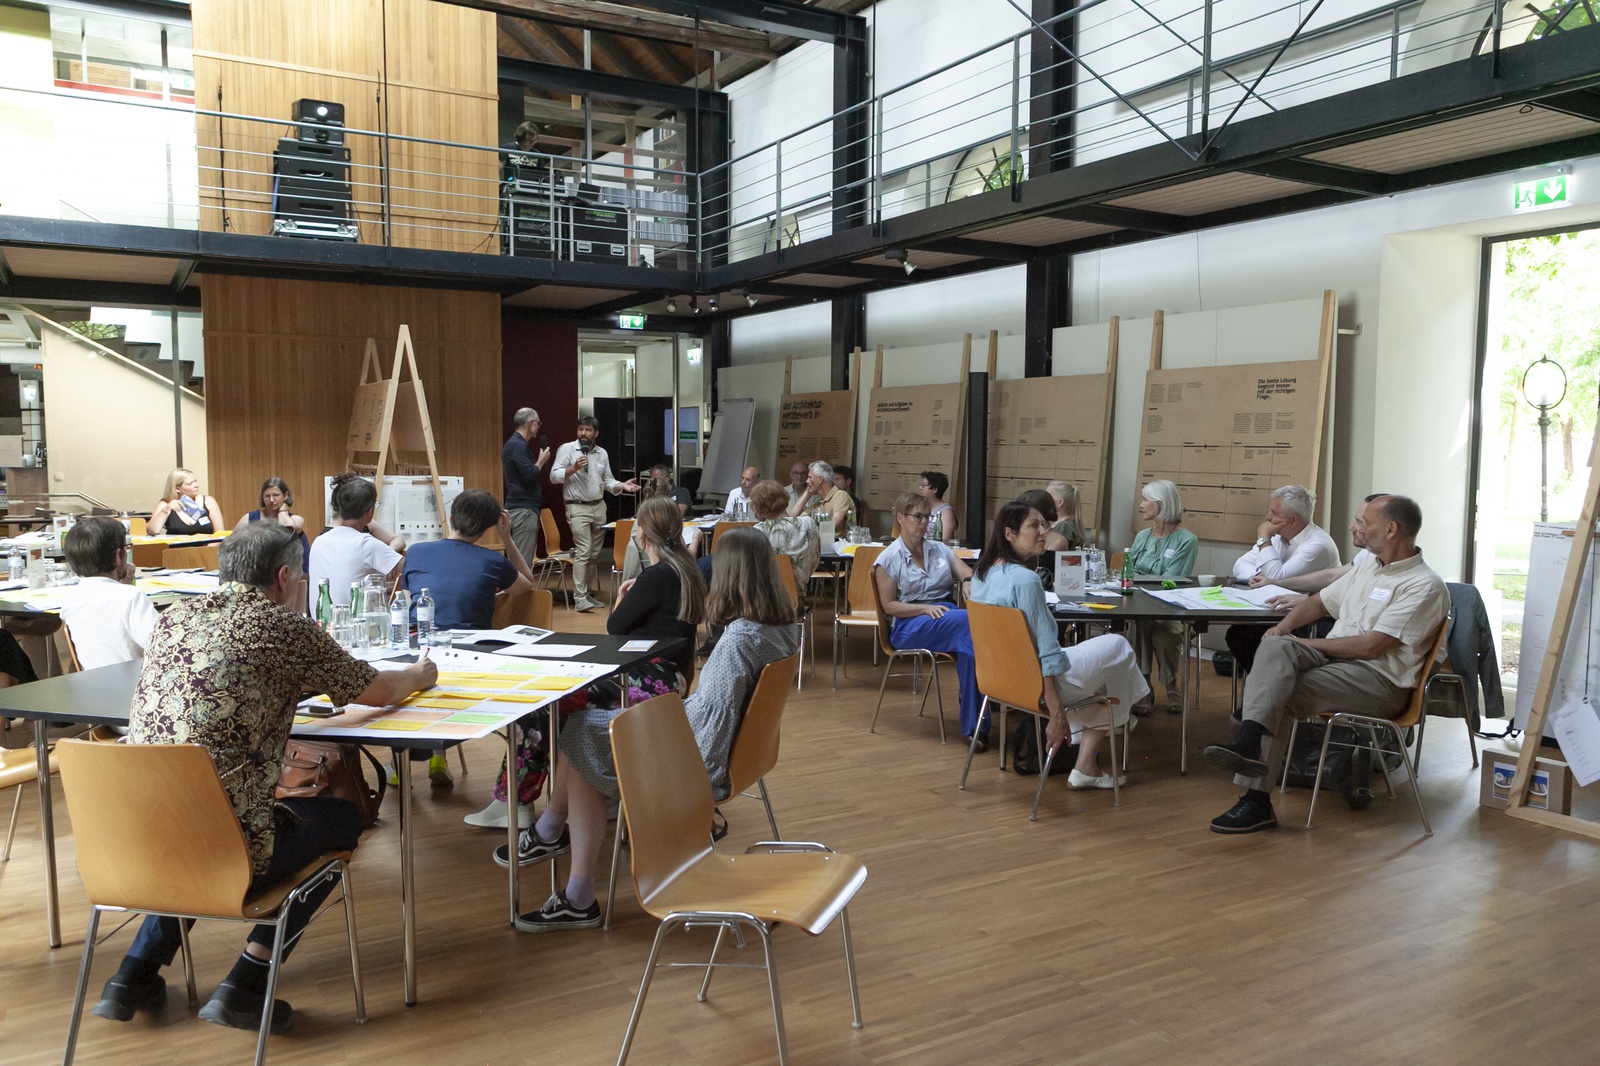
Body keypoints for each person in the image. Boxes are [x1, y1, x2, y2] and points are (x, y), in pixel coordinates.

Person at [93, 522, 437, 1033]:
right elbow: (378, 691)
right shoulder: (283, 627)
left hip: (137, 838)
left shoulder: (174, 618)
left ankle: (132, 975)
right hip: (229, 846)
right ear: (283, 577)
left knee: (193, 825)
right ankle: (247, 983)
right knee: (343, 818)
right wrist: (419, 674)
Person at [506, 527, 795, 931]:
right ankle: (553, 836)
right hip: (739, 755)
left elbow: (710, 729)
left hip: (700, 759)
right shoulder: (781, 629)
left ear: (729, 574)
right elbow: (715, 713)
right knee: (588, 728)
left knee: (582, 732)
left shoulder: (739, 640)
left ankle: (575, 887)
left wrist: (653, 732)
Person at [1202, 494, 1449, 834]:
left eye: (1363, 522)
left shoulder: (1424, 585)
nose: (1353, 527)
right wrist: (1283, 629)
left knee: (1280, 693)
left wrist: (1302, 643)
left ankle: (1255, 794)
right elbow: (1319, 603)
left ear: (1391, 529)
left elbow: (1371, 647)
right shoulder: (1368, 565)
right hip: (1335, 660)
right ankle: (1250, 738)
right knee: (1272, 644)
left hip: (1379, 681)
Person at [475, 498, 705, 831]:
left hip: (648, 679)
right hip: (669, 677)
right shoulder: (684, 569)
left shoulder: (657, 576)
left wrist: (627, 595)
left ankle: (512, 801)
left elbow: (615, 625)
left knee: (543, 706)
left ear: (641, 533)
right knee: (565, 704)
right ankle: (594, 790)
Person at [969, 501, 1150, 787]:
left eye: (1044, 524)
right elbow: (1047, 653)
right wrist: (1056, 713)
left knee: (1111, 676)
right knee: (1119, 646)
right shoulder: (1026, 581)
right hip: (1037, 684)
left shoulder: (982, 574)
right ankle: (1114, 724)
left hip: (1000, 681)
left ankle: (1112, 722)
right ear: (1009, 534)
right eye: (1034, 526)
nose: (1044, 532)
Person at [874, 491, 982, 745]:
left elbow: (966, 572)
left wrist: (968, 581)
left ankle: (975, 727)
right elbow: (888, 606)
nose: (924, 522)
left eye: (927, 517)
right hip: (908, 623)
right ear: (900, 517)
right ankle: (981, 716)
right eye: (917, 517)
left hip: (946, 617)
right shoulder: (889, 558)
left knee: (970, 649)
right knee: (971, 623)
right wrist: (923, 609)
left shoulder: (939, 549)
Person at [1223, 485, 1342, 674]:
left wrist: (1263, 539)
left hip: (1313, 620)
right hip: (1278, 612)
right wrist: (1258, 577)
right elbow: (1240, 564)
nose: (1268, 518)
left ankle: (1274, 685)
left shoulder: (1318, 545)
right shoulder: (1278, 537)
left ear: (1293, 520)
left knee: (1250, 638)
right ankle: (1265, 684)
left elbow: (1277, 577)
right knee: (1238, 634)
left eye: (1274, 513)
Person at [698, 480, 817, 656]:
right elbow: (814, 559)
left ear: (758, 507)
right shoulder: (809, 524)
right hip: (795, 598)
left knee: (722, 573)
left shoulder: (758, 532)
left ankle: (716, 638)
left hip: (759, 602)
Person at [401, 489, 537, 631]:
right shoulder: (493, 560)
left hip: (419, 639)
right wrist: (507, 539)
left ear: (451, 519)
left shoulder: (415, 552)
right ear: (483, 532)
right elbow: (527, 583)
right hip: (472, 641)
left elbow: (411, 602)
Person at [550, 415, 639, 612]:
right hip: (577, 507)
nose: (583, 433)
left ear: (595, 433)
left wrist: (622, 485)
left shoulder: (602, 453)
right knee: (584, 550)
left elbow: (607, 480)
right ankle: (580, 598)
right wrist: (573, 468)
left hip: (599, 507)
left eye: (588, 430)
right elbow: (553, 476)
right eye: (580, 429)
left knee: (594, 554)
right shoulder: (567, 449)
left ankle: (587, 593)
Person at [1129, 479, 1199, 713]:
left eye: (1146, 500)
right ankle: (1144, 687)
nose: (1141, 505)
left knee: (1162, 635)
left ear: (1161, 504)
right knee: (1139, 625)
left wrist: (1141, 578)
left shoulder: (1187, 540)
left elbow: (1172, 579)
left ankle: (1171, 686)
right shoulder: (1142, 536)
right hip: (1139, 605)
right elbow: (1129, 572)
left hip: (1169, 607)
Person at [60, 516, 159, 670]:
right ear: (117, 556)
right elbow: (162, 646)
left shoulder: (70, 600)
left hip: (94, 682)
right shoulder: (130, 597)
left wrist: (121, 586)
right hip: (136, 682)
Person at [309, 473, 405, 607]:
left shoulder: (318, 541)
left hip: (319, 619)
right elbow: (411, 568)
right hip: (353, 619)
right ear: (370, 511)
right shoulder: (365, 544)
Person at [502, 407, 551, 568]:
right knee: (522, 563)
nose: (538, 427)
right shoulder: (518, 445)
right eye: (538, 423)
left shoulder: (514, 443)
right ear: (530, 424)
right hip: (524, 509)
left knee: (518, 559)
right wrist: (541, 461)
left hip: (520, 508)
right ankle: (520, 586)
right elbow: (529, 475)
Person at [238, 477, 309, 570]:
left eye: (276, 495)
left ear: (285, 496)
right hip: (257, 570)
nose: (271, 500)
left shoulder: (296, 519)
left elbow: (285, 531)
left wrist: (282, 510)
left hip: (289, 570)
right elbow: (234, 545)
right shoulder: (248, 518)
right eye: (267, 496)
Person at [149, 467, 224, 537]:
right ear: (177, 488)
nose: (196, 485)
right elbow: (152, 531)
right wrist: (166, 509)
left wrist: (209, 546)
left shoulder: (209, 501)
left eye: (195, 481)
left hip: (206, 546)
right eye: (190, 483)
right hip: (177, 546)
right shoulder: (165, 504)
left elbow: (220, 534)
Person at [786, 460, 853, 528]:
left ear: (820, 479)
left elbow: (836, 521)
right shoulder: (818, 503)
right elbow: (791, 519)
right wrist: (807, 494)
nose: (807, 481)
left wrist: (816, 531)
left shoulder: (840, 495)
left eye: (810, 477)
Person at [917, 471, 958, 544]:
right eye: (920, 485)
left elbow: (945, 539)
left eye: (923, 485)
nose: (920, 488)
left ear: (935, 489)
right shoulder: (921, 508)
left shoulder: (946, 511)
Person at [1046, 480, 1086, 549]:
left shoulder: (1065, 526)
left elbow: (1051, 552)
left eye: (1047, 497)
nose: (1043, 500)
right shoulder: (1057, 524)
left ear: (1060, 502)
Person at [833, 464, 866, 528]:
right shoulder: (834, 498)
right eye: (833, 480)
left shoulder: (854, 501)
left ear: (848, 481)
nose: (834, 483)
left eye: (837, 479)